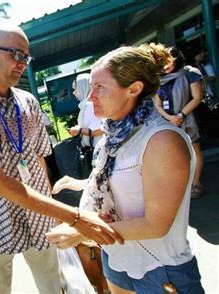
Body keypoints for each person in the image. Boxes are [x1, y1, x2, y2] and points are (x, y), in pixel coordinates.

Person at [0, 22, 123, 294]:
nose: (22, 63)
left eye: (26, 56)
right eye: (15, 54)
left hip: (39, 214)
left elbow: (41, 159)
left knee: (53, 284)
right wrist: (74, 217)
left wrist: (50, 209)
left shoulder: (28, 102)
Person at [47, 43, 204, 293]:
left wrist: (82, 229)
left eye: (100, 87)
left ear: (134, 89)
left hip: (160, 270)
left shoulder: (162, 140)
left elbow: (156, 225)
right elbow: (121, 179)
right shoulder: (115, 133)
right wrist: (81, 183)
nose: (90, 96)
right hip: (117, 260)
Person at [153, 47, 204, 198]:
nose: (165, 66)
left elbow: (197, 97)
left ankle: (195, 184)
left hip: (189, 119)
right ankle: (179, 185)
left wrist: (181, 115)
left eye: (168, 62)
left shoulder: (189, 72)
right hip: (167, 121)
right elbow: (157, 104)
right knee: (174, 153)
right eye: (161, 63)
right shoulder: (158, 79)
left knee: (195, 150)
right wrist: (170, 118)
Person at [68, 73, 103, 148]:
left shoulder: (90, 105)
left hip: (100, 147)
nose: (74, 93)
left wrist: (79, 130)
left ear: (83, 87)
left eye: (75, 89)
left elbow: (100, 130)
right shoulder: (87, 105)